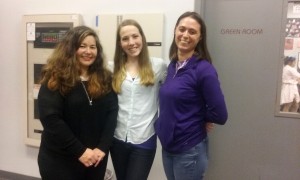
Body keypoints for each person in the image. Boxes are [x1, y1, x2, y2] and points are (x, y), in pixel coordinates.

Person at [37, 25, 118, 180]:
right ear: (70, 49)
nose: (88, 51)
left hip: (95, 159)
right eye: (82, 46)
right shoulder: (55, 78)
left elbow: (112, 113)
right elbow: (51, 119)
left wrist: (102, 148)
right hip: (60, 160)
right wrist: (80, 151)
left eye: (92, 47)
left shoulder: (105, 78)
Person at [155, 11, 228, 180]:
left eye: (192, 31)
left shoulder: (204, 70)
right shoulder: (172, 65)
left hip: (189, 150)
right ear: (175, 31)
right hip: (168, 148)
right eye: (182, 29)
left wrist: (200, 116)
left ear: (200, 37)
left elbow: (221, 115)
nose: (185, 35)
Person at [109, 19, 167, 180]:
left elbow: (175, 93)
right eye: (125, 38)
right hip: (117, 138)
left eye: (135, 36)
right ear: (120, 43)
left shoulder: (158, 66)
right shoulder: (111, 68)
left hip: (144, 138)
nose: (131, 42)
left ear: (142, 38)